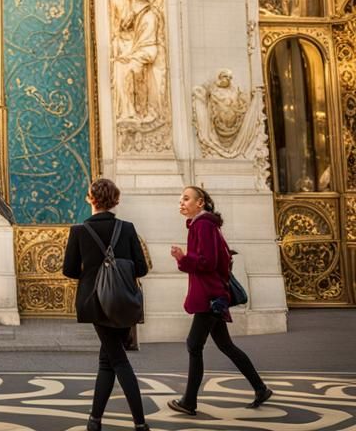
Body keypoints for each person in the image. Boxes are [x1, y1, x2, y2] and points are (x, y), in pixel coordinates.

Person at [168, 186, 272, 416]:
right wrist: (186, 259)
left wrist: (183, 259)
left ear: (200, 202)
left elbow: (208, 262)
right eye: (180, 200)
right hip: (213, 294)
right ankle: (260, 388)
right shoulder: (204, 224)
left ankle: (189, 402)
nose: (181, 203)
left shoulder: (203, 224)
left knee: (194, 345)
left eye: (186, 199)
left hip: (209, 296)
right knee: (225, 345)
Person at [62, 177, 151, 431]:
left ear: (91, 198)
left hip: (96, 302)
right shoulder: (127, 228)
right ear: (116, 200)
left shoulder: (79, 231)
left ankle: (140, 423)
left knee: (118, 361)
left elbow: (69, 270)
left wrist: (92, 275)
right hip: (123, 301)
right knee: (108, 359)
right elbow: (142, 269)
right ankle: (95, 420)